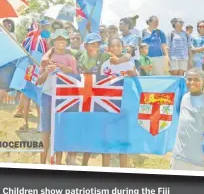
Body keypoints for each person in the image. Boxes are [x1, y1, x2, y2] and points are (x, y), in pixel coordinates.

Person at [41, 33, 132, 166]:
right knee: (77, 128)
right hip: (77, 97)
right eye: (92, 43)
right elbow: (57, 48)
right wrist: (46, 55)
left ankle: (85, 165)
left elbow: (127, 56)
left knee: (91, 130)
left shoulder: (105, 55)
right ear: (86, 45)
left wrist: (120, 60)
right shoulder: (77, 54)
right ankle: (71, 158)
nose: (95, 46)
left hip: (97, 100)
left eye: (98, 43)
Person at [37, 29, 78, 165]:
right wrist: (47, 72)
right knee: (46, 131)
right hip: (47, 96)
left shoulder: (71, 58)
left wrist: (63, 68)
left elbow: (76, 78)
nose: (61, 41)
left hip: (64, 97)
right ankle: (42, 163)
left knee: (59, 130)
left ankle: (58, 164)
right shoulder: (46, 58)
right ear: (53, 41)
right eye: (58, 39)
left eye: (63, 39)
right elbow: (38, 81)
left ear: (66, 42)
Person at [172, 67, 204, 171]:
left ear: (203, 81)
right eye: (189, 79)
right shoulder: (184, 97)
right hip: (179, 156)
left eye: (196, 79)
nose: (192, 82)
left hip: (199, 159)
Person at [100, 37, 138, 168]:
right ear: (108, 48)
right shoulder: (105, 65)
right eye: (112, 46)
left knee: (124, 140)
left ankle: (124, 169)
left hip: (125, 106)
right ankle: (105, 168)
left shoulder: (129, 63)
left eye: (118, 46)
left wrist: (131, 72)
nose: (115, 48)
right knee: (107, 139)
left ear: (122, 47)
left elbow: (136, 78)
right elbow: (101, 86)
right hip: (109, 106)